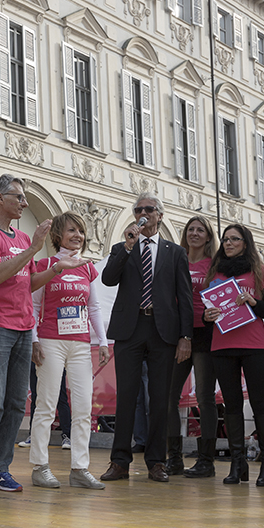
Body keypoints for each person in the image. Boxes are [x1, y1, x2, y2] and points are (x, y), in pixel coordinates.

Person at [0, 175, 83, 496]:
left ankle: (1, 468)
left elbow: (28, 282)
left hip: (21, 325)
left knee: (18, 402)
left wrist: (57, 269)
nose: (24, 203)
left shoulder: (19, 237)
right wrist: (33, 247)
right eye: (18, 197)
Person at [100, 192, 193, 483]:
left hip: (162, 330)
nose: (143, 213)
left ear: (160, 216)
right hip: (130, 328)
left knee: (160, 399)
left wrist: (185, 336)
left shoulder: (175, 252)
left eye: (149, 209)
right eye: (138, 209)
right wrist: (127, 246)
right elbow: (108, 279)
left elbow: (185, 298)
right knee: (126, 396)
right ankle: (119, 461)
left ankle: (156, 461)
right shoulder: (123, 247)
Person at [28, 211, 108, 490]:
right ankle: (39, 467)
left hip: (81, 343)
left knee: (84, 408)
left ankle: (80, 468)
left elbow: (94, 307)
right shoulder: (46, 264)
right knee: (46, 406)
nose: (78, 236)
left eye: (81, 231)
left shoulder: (88, 267)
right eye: (72, 230)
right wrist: (34, 341)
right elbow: (34, 306)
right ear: (58, 235)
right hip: (50, 341)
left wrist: (103, 341)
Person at [202, 224, 264, 486]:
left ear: (246, 242)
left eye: (234, 239)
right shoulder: (215, 273)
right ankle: (238, 463)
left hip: (255, 345)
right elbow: (208, 310)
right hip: (222, 346)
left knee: (260, 404)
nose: (228, 243)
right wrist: (207, 316)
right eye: (225, 239)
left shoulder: (261, 272)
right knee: (231, 405)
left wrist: (254, 303)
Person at [169, 216, 219, 478]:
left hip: (205, 334)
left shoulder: (215, 265)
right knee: (169, 397)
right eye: (191, 229)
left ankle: (206, 461)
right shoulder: (176, 259)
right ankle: (174, 458)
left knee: (204, 398)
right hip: (177, 335)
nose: (195, 233)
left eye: (201, 230)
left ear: (209, 237)